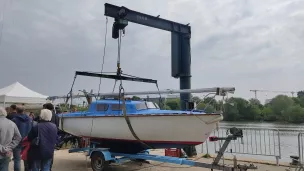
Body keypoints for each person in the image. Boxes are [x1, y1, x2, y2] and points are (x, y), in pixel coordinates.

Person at [0, 107, 22, 171]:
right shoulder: (12, 123)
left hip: (5, 150)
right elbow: (18, 137)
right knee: (4, 168)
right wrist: (9, 147)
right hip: (7, 151)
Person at [11, 106, 32, 171]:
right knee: (26, 158)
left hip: (17, 141)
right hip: (27, 141)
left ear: (16, 111)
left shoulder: (14, 120)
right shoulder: (29, 119)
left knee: (17, 160)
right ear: (24, 110)